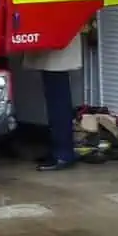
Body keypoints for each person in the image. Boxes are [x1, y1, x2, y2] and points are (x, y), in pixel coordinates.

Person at [27, 28, 82, 170]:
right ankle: (60, 151)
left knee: (57, 92)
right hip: (56, 29)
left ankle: (62, 153)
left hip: (59, 31)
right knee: (54, 90)